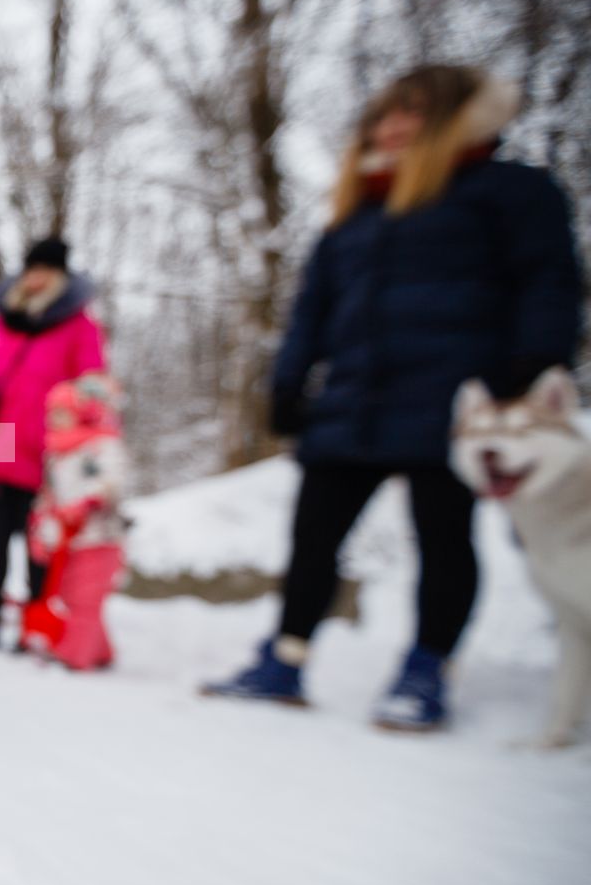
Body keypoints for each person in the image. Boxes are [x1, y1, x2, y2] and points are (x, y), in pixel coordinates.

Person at [203, 66, 583, 728]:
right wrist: (290, 382)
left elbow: (548, 280)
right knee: (315, 536)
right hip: (352, 400)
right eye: (385, 114)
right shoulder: (356, 217)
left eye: (413, 112)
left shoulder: (510, 192)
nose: (393, 126)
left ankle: (426, 667)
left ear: (457, 119)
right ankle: (285, 656)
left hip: (458, 399)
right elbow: (312, 311)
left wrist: (536, 360)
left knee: (442, 537)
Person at [0, 237, 106, 650]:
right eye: (31, 269)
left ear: (60, 275)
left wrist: (81, 433)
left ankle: (34, 625)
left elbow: (93, 385)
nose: (36, 279)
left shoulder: (79, 324)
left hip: (51, 451)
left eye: (45, 271)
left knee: (42, 542)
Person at [23, 374, 127, 671]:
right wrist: (42, 532)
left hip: (100, 537)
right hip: (70, 540)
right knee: (71, 595)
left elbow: (113, 479)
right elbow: (49, 498)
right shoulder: (55, 452)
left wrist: (90, 500)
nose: (55, 420)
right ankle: (102, 651)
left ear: (80, 413)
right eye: (51, 414)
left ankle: (76, 655)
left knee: (85, 599)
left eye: (62, 413)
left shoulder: (102, 445)